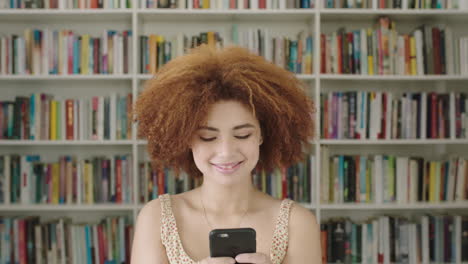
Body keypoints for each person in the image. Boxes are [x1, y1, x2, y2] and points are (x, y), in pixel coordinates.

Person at [130, 44, 321, 264]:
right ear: (186, 139)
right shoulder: (157, 218)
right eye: (208, 137)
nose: (226, 151)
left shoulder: (297, 223)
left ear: (262, 135)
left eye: (242, 135)